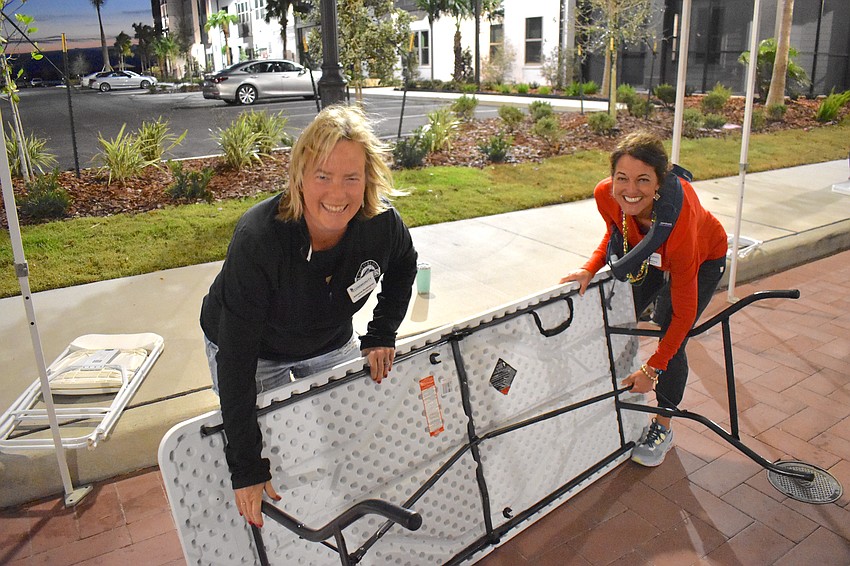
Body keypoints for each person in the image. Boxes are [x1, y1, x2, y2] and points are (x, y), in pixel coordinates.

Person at [200, 104, 418, 527]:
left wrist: (381, 333)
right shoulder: (258, 239)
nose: (337, 194)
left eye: (351, 178)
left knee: (347, 428)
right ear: (299, 176)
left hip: (328, 339)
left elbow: (404, 266)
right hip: (254, 350)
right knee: (279, 445)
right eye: (323, 176)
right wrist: (246, 467)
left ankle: (345, 509)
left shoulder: (382, 225)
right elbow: (237, 360)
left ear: (367, 180)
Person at [560, 131, 727, 467]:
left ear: (659, 182)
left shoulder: (681, 226)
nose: (630, 190)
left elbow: (684, 315)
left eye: (642, 180)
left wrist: (652, 369)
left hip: (702, 257)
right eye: (622, 178)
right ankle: (613, 387)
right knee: (621, 314)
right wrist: (589, 268)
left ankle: (662, 426)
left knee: (671, 332)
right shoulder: (605, 194)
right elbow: (615, 230)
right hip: (650, 253)